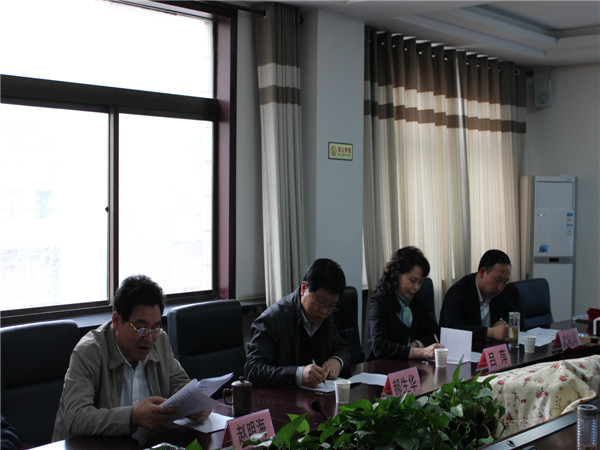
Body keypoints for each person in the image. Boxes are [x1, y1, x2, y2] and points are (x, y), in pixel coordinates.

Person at [53, 275, 210, 443]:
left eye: (155, 328)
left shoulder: (160, 340)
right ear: (116, 321)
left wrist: (196, 403)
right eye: (141, 329)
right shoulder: (89, 352)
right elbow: (76, 419)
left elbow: (178, 382)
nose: (149, 338)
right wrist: (132, 417)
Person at [244, 258, 352, 389]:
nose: (324, 311)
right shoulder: (271, 320)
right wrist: (298, 374)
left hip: (317, 395)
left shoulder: (326, 315)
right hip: (280, 397)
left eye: (331, 306)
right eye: (320, 301)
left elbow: (343, 348)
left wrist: (337, 361)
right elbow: (253, 370)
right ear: (304, 288)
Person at [365, 246, 443, 361]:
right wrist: (419, 352)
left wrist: (417, 344)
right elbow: (380, 347)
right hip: (381, 366)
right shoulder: (380, 302)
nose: (416, 287)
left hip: (408, 365)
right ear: (397, 274)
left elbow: (436, 333)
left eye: (420, 282)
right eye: (413, 280)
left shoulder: (414, 300)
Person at [439, 249, 517, 342]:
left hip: (491, 347)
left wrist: (503, 322)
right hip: (468, 348)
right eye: (498, 280)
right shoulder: (458, 292)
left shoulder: (498, 291)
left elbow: (515, 313)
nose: (500, 287)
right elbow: (451, 328)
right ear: (482, 272)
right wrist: (489, 332)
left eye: (504, 282)